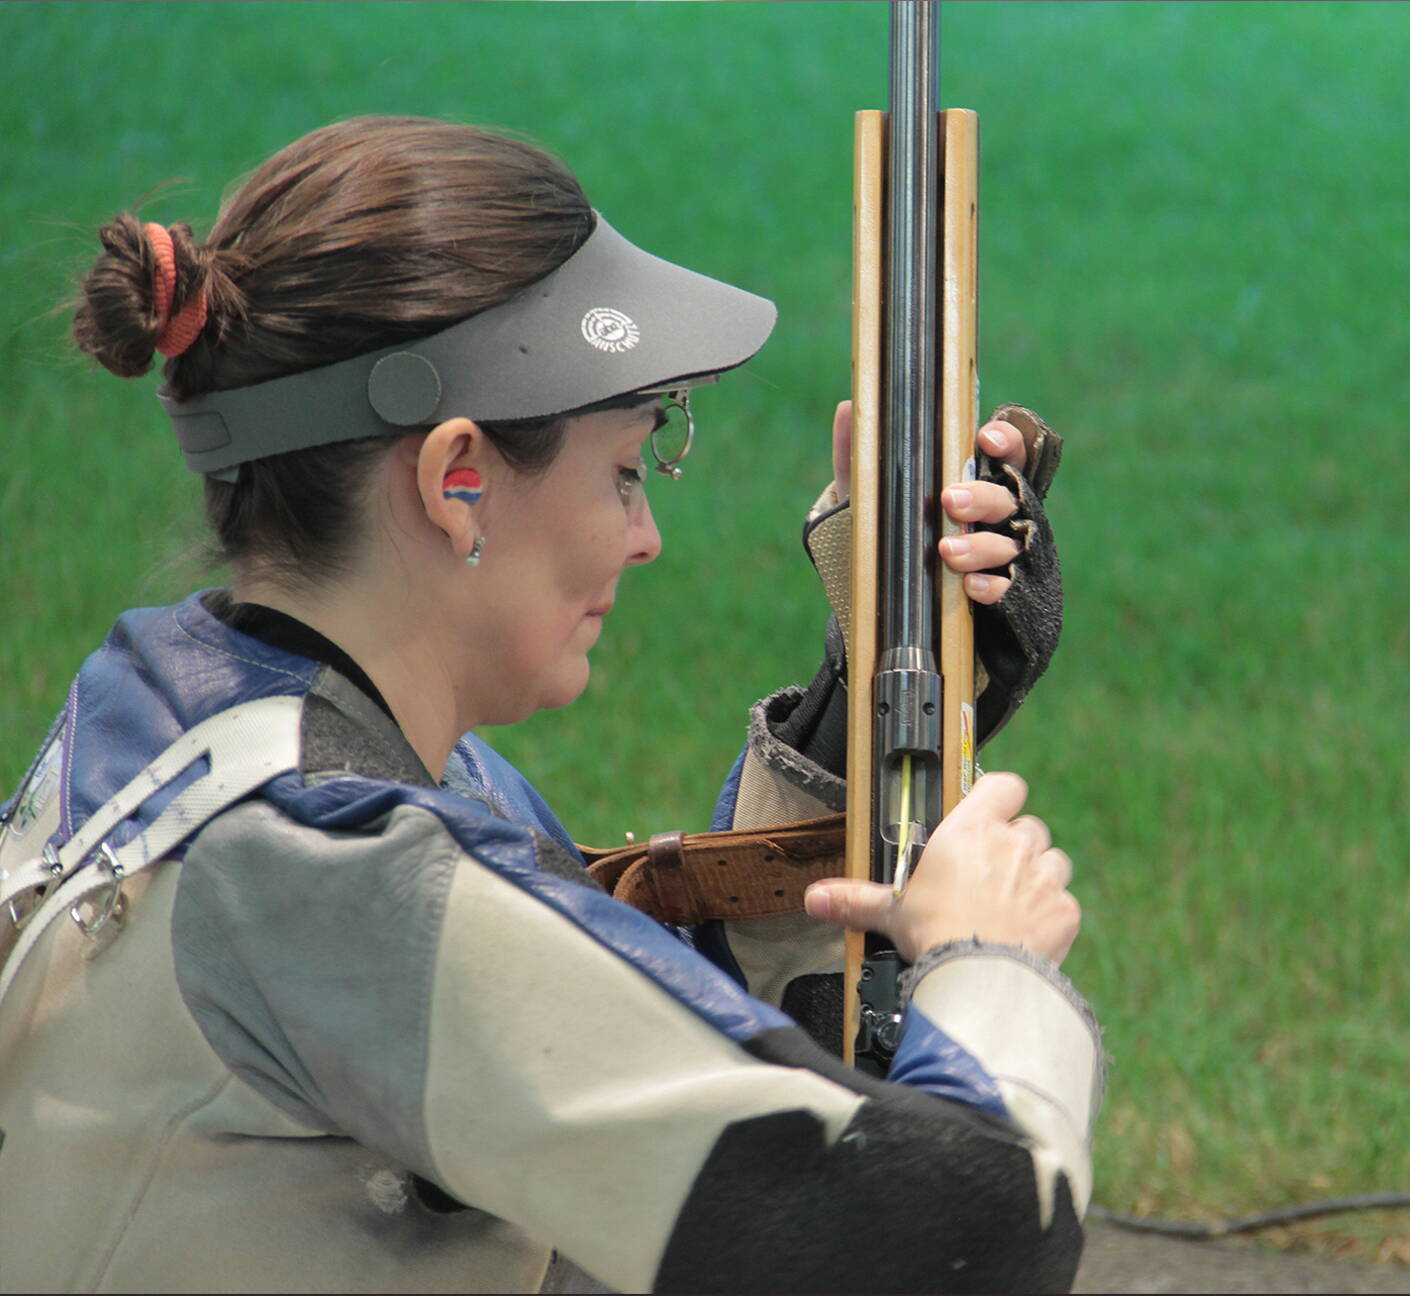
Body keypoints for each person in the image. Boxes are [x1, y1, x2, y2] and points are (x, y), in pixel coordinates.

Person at [0, 116, 1098, 1293]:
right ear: (455, 479)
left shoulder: (208, 718)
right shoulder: (339, 870)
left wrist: (872, 686)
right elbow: (965, 1240)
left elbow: (626, 1080)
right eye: (626, 470)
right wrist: (989, 961)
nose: (645, 539)